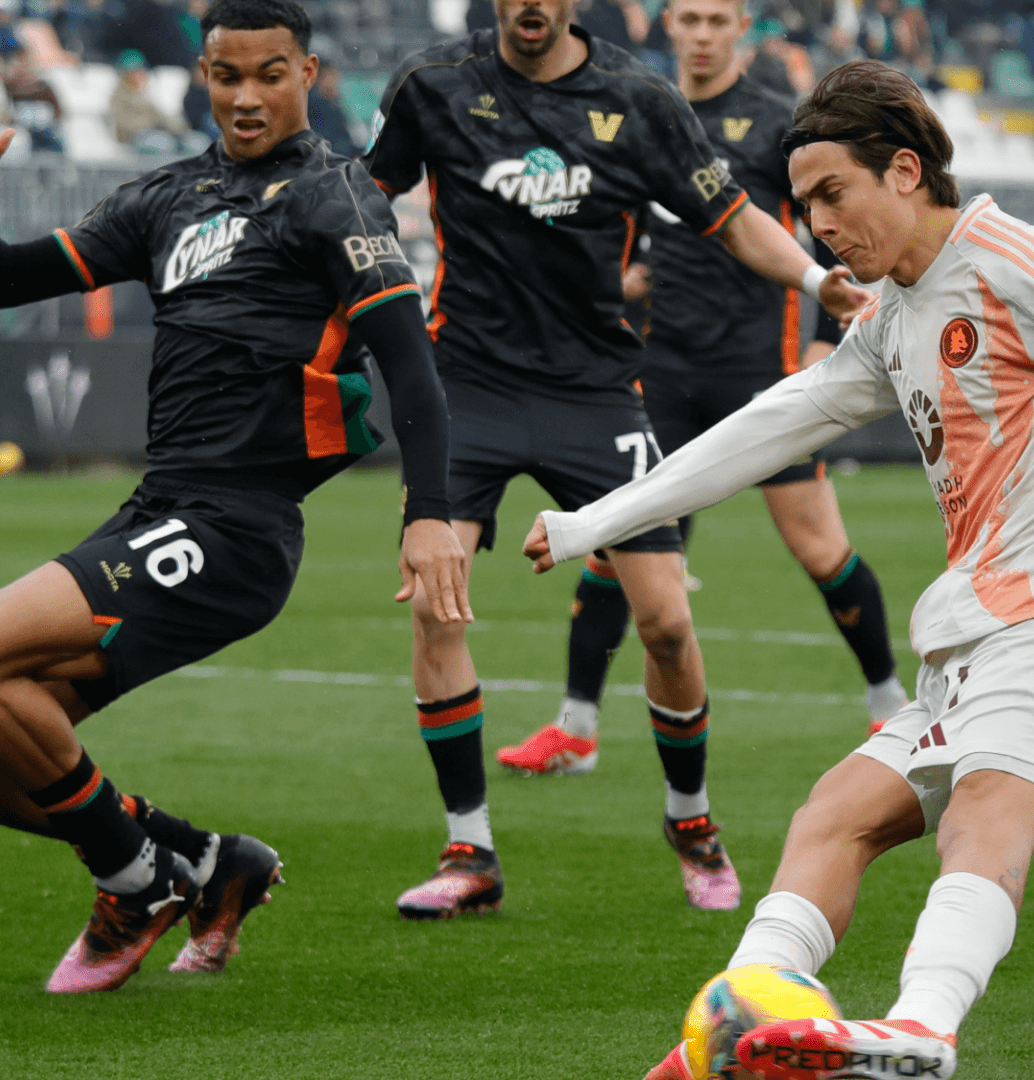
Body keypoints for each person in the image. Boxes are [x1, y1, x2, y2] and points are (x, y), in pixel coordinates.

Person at [520, 61, 1034, 1080]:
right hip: (972, 637)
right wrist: (592, 523)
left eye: (833, 194)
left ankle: (922, 1028)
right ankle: (733, 1025)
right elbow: (771, 424)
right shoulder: (893, 313)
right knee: (834, 815)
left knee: (985, 810)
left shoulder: (1019, 262)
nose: (818, 225)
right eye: (804, 205)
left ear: (906, 172)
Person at [0, 0, 470, 993]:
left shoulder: (337, 194)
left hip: (236, 527)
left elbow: (411, 369)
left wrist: (427, 514)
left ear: (307, 74)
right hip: (163, 509)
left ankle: (134, 879)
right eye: (226, 75)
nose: (246, 97)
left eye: (269, 74)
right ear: (201, 76)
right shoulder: (168, 194)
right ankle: (207, 865)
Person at [363, 0, 871, 918]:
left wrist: (812, 278)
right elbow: (360, 204)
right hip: (465, 389)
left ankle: (691, 820)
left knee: (667, 622)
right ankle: (469, 851)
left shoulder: (638, 100)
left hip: (597, 393)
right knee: (435, 609)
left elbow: (731, 216)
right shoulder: (433, 86)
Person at [498, 0, 907, 781]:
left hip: (760, 372)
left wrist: (823, 346)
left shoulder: (776, 124)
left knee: (819, 546)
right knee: (618, 543)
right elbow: (622, 228)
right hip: (661, 375)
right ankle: (576, 729)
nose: (702, 34)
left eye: (718, 20)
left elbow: (825, 233)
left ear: (741, 29)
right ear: (670, 27)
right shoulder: (642, 115)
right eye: (689, 19)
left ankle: (892, 704)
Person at [110, 48, 190, 148]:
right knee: (164, 144)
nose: (140, 76)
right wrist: (153, 123)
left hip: (155, 133)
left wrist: (179, 128)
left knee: (190, 142)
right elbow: (125, 124)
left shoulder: (145, 94)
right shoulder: (119, 97)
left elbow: (161, 117)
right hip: (133, 138)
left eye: (141, 72)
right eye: (134, 74)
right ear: (125, 76)